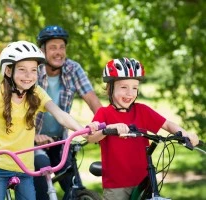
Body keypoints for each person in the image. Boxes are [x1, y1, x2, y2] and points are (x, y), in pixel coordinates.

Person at [0, 40, 91, 200]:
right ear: (8, 71)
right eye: (22, 70)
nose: (29, 75)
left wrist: (81, 129)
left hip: (25, 167)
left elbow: (60, 114)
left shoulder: (36, 93)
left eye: (33, 70)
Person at [85, 57, 200, 200]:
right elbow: (91, 137)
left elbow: (167, 124)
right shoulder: (104, 113)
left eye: (134, 88)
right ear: (110, 88)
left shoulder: (142, 111)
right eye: (124, 87)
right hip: (117, 184)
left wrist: (185, 133)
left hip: (143, 180)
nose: (130, 93)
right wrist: (108, 128)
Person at [34, 25, 102, 200]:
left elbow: (92, 100)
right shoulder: (32, 71)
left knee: (74, 188)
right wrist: (34, 135)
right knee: (42, 189)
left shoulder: (73, 69)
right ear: (42, 51)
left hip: (61, 140)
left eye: (62, 47)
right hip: (33, 142)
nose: (58, 52)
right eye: (53, 48)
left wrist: (104, 127)